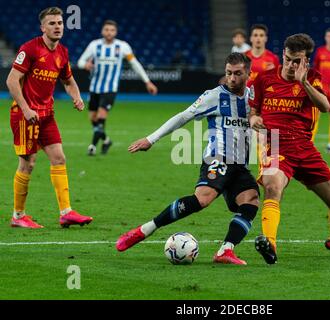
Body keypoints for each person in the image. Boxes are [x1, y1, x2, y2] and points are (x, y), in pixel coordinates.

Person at [116, 53, 259, 265]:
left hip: (240, 165)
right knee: (203, 198)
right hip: (218, 158)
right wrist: (151, 139)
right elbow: (183, 117)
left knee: (251, 201)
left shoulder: (254, 100)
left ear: (248, 73)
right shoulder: (213, 96)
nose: (231, 78)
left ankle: (225, 251)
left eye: (237, 74)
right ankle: (144, 230)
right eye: (228, 73)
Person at [249, 33, 330, 264]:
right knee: (273, 186)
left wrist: (303, 82)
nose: (292, 65)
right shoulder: (264, 79)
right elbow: (254, 111)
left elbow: (325, 105)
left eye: (298, 61)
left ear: (306, 61)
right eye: (289, 59)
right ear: (283, 54)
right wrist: (253, 120)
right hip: (276, 144)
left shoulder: (312, 77)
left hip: (305, 149)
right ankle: (269, 243)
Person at [6, 7, 93, 229]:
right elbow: (12, 80)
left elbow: (68, 80)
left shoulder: (62, 52)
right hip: (25, 115)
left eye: (60, 23)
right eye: (52, 23)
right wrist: (25, 108)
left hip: (46, 115)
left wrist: (77, 97)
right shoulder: (30, 48)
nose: (57, 27)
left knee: (59, 158)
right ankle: (18, 216)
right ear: (43, 27)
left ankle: (66, 212)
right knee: (28, 164)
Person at [77, 20, 158, 156]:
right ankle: (107, 140)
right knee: (93, 118)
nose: (109, 32)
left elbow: (135, 64)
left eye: (112, 30)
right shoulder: (94, 45)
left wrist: (147, 82)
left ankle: (92, 146)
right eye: (106, 29)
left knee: (101, 116)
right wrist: (85, 65)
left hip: (110, 88)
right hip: (94, 88)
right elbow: (80, 61)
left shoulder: (123, 46)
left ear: (116, 32)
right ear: (102, 31)